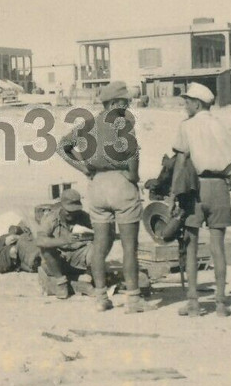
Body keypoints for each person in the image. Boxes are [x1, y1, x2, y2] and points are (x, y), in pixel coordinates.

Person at [57, 80, 147, 313]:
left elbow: (62, 147)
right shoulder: (122, 123)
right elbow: (132, 154)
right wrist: (133, 176)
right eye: (125, 101)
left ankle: (100, 297)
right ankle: (133, 300)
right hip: (121, 183)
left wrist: (84, 168)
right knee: (129, 247)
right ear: (115, 103)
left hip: (97, 186)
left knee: (100, 245)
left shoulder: (88, 125)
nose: (127, 105)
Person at [172, 82, 231, 317]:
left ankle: (194, 303)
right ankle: (220, 303)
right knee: (218, 247)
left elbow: (180, 163)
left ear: (197, 104)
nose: (184, 106)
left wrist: (172, 195)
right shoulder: (221, 125)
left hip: (196, 188)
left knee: (191, 246)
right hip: (220, 187)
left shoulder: (187, 126)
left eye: (187, 102)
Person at [27, 189, 94, 299]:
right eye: (68, 210)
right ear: (61, 206)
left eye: (75, 211)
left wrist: (91, 235)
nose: (71, 214)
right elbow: (39, 241)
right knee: (45, 248)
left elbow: (101, 233)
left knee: (97, 247)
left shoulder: (84, 217)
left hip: (79, 258)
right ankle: (61, 282)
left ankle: (87, 278)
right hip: (57, 262)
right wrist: (64, 240)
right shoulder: (51, 218)